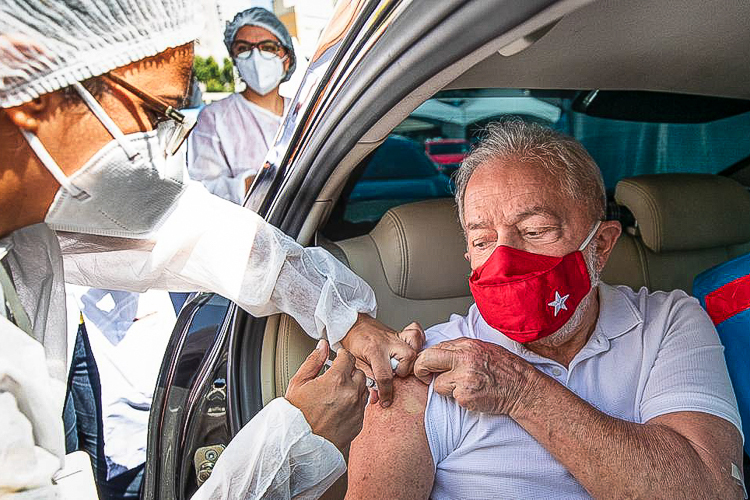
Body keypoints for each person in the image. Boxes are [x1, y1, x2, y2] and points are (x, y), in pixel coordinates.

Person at [0, 1, 423, 498]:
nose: (157, 144)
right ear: (30, 83)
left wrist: (343, 314)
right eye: (155, 111)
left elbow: (189, 229)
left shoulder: (29, 224)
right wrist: (292, 443)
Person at [346, 121, 745, 499]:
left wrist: (522, 391)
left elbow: (712, 489)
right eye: (483, 241)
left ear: (601, 245)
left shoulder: (666, 322)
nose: (506, 260)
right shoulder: (427, 365)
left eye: (536, 232)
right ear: (467, 253)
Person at [188, 7, 296, 204]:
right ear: (235, 59)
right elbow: (201, 190)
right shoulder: (214, 118)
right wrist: (250, 185)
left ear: (286, 60)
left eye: (268, 47)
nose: (256, 57)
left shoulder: (302, 112)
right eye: (243, 48)